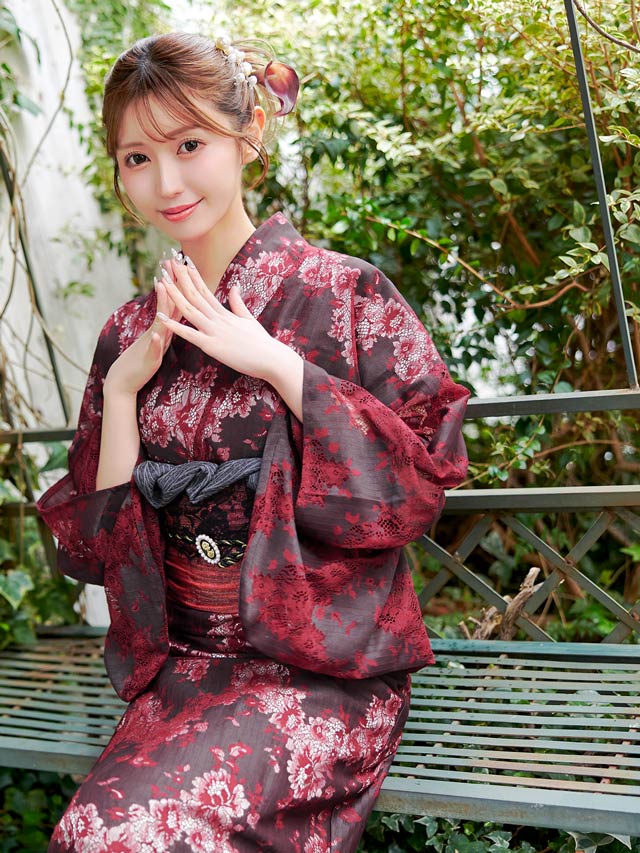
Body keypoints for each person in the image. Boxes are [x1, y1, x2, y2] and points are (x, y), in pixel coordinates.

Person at [37, 31, 469, 853]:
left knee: (121, 838)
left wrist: (280, 366)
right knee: (92, 834)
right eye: (137, 158)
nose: (166, 183)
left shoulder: (345, 294)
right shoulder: (129, 332)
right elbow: (100, 545)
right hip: (184, 672)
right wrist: (123, 392)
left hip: (319, 671)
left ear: (249, 134)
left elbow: (418, 481)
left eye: (188, 145)